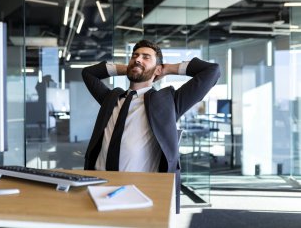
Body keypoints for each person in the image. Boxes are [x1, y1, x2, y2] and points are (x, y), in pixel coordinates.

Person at [82, 39, 220, 213]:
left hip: (139, 189)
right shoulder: (111, 98)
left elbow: (212, 71)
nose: (138, 59)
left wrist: (168, 68)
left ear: (157, 68)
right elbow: (88, 73)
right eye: (135, 56)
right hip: (99, 184)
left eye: (146, 57)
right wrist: (129, 69)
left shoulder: (168, 102)